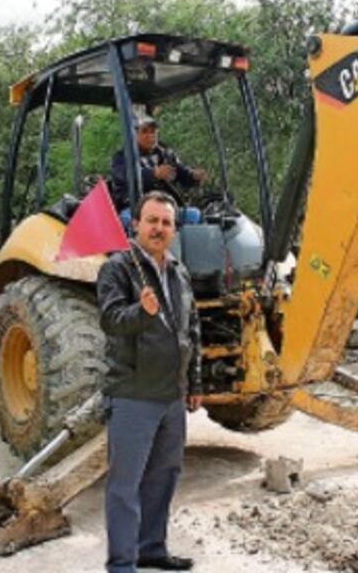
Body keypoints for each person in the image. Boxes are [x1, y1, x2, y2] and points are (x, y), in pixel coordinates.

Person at [97, 191, 203, 573]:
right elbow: (111, 320)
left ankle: (151, 549)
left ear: (174, 229)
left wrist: (194, 382)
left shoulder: (179, 271)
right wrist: (141, 313)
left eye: (166, 222)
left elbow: (190, 329)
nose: (159, 228)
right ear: (135, 224)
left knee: (164, 477)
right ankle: (122, 564)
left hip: (171, 396)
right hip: (133, 395)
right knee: (125, 485)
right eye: (152, 221)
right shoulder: (118, 269)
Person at [110, 113, 207, 211]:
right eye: (145, 132)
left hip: (163, 205)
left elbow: (180, 171)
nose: (150, 136)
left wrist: (193, 176)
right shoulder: (122, 157)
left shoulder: (165, 153)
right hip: (134, 207)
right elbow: (126, 176)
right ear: (134, 134)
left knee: (194, 214)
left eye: (153, 132)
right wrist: (153, 174)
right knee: (129, 218)